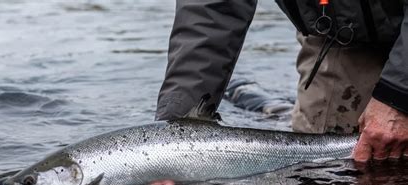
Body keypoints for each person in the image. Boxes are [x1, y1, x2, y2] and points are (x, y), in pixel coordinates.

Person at [155, 0, 408, 167]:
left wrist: (397, 97)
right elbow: (212, 10)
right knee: (325, 174)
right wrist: (172, 143)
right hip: (341, 34)